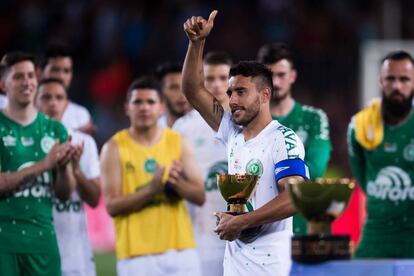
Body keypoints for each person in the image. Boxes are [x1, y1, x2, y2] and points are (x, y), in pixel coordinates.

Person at [182, 11, 309, 276]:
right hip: (236, 264)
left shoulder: (283, 139)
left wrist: (241, 222)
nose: (233, 100)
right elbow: (193, 91)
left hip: (270, 267)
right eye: (230, 93)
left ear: (265, 95)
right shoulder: (232, 132)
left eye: (241, 91)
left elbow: (296, 199)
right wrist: (197, 44)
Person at [100, 76, 205, 276]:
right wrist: (152, 189)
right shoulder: (113, 148)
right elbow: (112, 206)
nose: (144, 108)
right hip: (136, 256)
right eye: (137, 102)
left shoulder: (178, 141)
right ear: (127, 108)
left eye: (150, 102)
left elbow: (199, 195)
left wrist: (175, 184)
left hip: (180, 250)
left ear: (161, 108)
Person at [0, 51, 76, 275]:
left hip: (43, 239)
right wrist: (45, 164)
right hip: (5, 240)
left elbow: (64, 193)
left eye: (31, 76)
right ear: (3, 84)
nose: (27, 82)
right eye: (18, 77)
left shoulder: (55, 130)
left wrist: (63, 167)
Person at [257, 43, 332, 235]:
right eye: (270, 76)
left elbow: (316, 168)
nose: (276, 82)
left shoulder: (314, 118)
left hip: (305, 225)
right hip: (261, 226)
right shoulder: (250, 119)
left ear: (292, 76)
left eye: (281, 75)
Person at [348, 50, 414, 258]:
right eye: (390, 79)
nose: (397, 86)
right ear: (380, 80)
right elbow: (363, 179)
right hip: (375, 239)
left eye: (404, 79)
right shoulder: (359, 126)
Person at [173, 51, 231, 276]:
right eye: (209, 79)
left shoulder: (246, 122)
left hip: (242, 226)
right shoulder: (183, 127)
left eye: (223, 78)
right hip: (200, 230)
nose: (217, 85)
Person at [35, 77, 101, 276]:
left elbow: (94, 199)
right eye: (46, 97)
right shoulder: (23, 141)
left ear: (66, 103)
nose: (53, 103)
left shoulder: (83, 142)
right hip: (35, 253)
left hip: (75, 256)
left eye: (59, 97)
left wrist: (76, 170)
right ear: (35, 102)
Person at [41, 43, 96, 134]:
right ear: (40, 72)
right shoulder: (23, 109)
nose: (61, 76)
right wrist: (75, 134)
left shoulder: (80, 115)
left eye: (66, 71)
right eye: (55, 70)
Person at [155, 62, 192, 128]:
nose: (182, 94)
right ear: (160, 92)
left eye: (186, 87)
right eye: (174, 88)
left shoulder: (207, 127)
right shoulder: (153, 128)